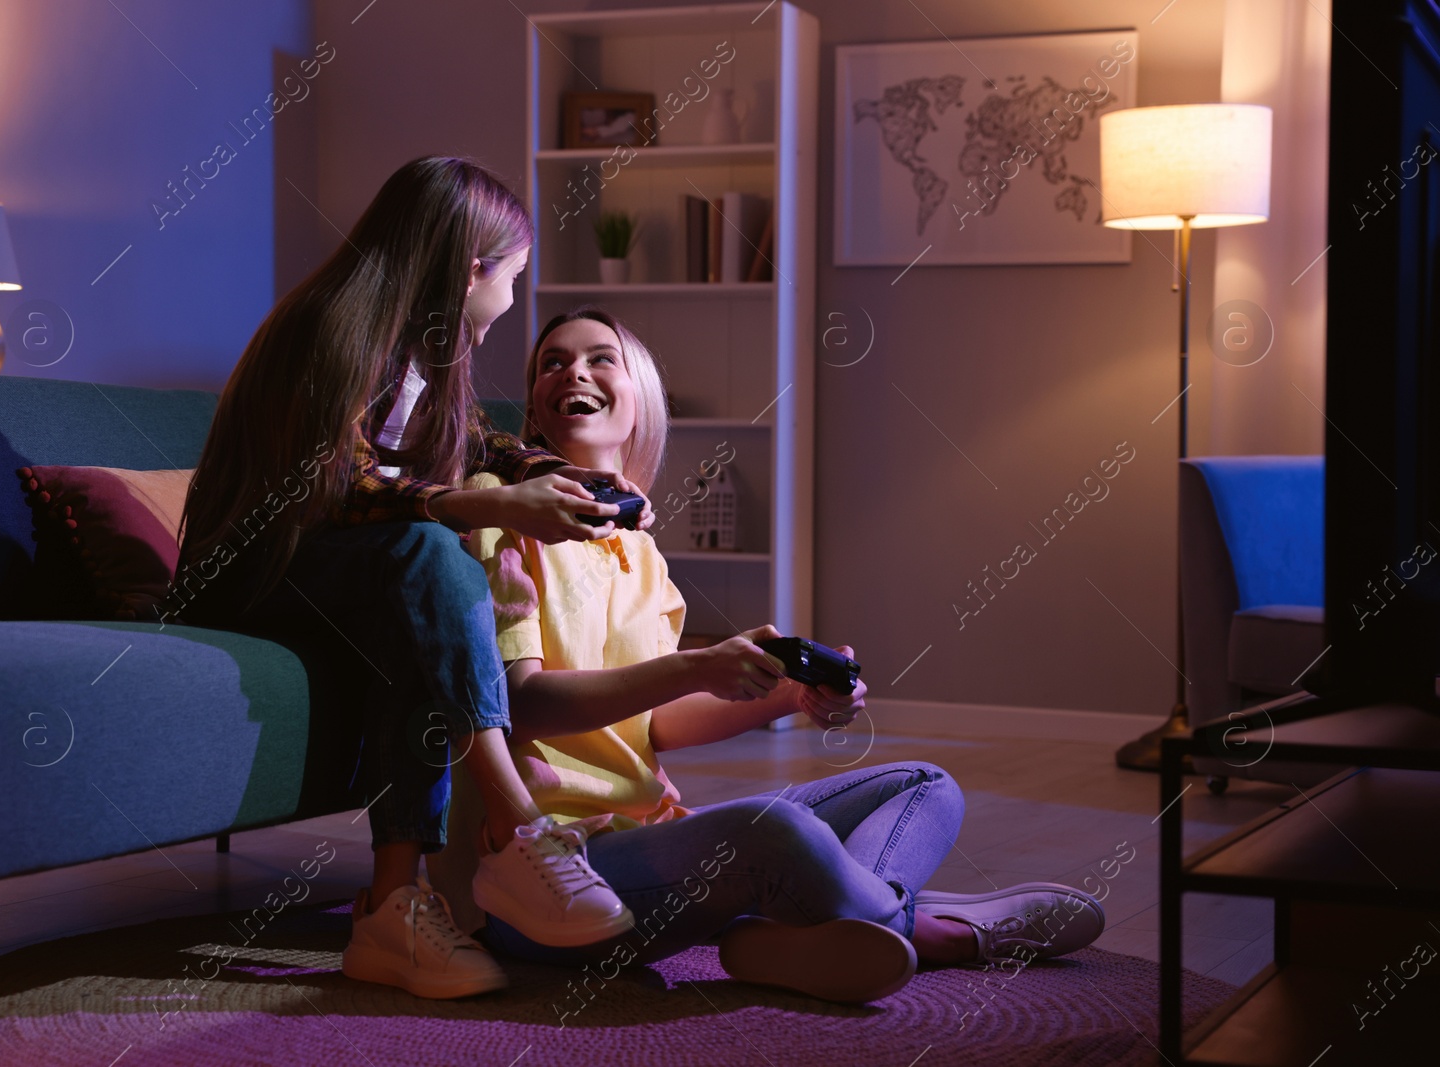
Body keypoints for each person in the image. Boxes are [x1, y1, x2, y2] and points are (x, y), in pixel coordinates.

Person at [429, 307, 1108, 1004]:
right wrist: (698, 665)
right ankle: (937, 930)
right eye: (553, 362)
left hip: (656, 837)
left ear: (642, 405)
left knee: (924, 783)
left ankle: (811, 927)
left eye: (602, 358)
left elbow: (654, 723)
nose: (574, 370)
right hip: (555, 877)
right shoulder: (501, 512)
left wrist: (783, 697)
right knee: (775, 830)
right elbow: (517, 706)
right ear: (535, 417)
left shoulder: (642, 552)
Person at [172, 159, 653, 1000]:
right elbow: (331, 486)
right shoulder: (331, 328)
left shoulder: (429, 354)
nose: (510, 299)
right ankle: (519, 828)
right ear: (472, 267)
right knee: (429, 553)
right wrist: (462, 504)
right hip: (252, 576)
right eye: (512, 276)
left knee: (421, 608)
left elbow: (487, 445)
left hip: (341, 578)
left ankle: (393, 904)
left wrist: (578, 483)